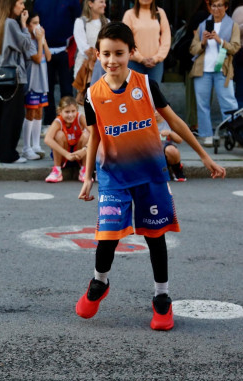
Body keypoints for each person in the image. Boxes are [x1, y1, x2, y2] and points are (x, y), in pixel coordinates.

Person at [77, 22, 226, 331]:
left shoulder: (146, 85)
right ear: (97, 54)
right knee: (108, 236)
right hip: (113, 176)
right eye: (106, 54)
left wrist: (204, 156)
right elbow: (95, 137)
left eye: (119, 53)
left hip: (149, 174)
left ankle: (162, 298)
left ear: (131, 53)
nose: (112, 60)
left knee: (154, 237)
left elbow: (178, 123)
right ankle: (99, 282)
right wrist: (88, 175)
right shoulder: (92, 94)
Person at [190, 0, 241, 147]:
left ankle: (233, 133)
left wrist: (220, 41)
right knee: (202, 104)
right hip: (203, 70)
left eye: (220, 5)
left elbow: (235, 47)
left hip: (222, 70)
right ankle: (207, 135)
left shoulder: (232, 25)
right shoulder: (202, 25)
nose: (216, 8)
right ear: (210, 7)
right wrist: (203, 42)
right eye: (213, 5)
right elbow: (193, 49)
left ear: (225, 7)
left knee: (229, 103)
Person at [0, 0, 33, 163]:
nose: (23, 7)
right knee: (14, 116)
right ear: (11, 4)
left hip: (1, 75)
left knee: (4, 116)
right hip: (13, 74)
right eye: (21, 3)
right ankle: (8, 154)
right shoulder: (11, 24)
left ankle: (0, 151)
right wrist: (23, 25)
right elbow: (26, 45)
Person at [33, 0, 80, 126]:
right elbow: (35, 24)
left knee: (67, 89)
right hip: (44, 50)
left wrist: (71, 46)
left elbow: (78, 22)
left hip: (65, 50)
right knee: (47, 89)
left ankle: (69, 122)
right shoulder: (38, 2)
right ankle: (49, 123)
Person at [21, 11, 50, 160]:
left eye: (39, 22)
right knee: (30, 113)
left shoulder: (39, 39)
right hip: (32, 82)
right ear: (27, 25)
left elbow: (48, 56)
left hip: (42, 81)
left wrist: (43, 40)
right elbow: (38, 59)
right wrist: (39, 41)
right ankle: (26, 147)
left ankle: (36, 145)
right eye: (34, 23)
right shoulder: (28, 41)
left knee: (39, 113)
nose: (37, 26)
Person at [122, 0, 171, 83]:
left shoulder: (160, 13)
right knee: (135, 93)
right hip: (133, 63)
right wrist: (140, 59)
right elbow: (125, 39)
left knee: (153, 94)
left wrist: (156, 58)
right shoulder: (129, 14)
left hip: (156, 64)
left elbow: (166, 38)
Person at [43, 96, 88, 183]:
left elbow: (96, 134)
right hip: (63, 155)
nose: (70, 115)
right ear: (60, 111)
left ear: (77, 110)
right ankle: (57, 170)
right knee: (58, 134)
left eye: (73, 111)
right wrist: (66, 154)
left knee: (87, 134)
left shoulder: (80, 117)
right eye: (67, 112)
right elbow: (47, 139)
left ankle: (85, 170)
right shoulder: (58, 121)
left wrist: (85, 149)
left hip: (79, 154)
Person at [72, 0, 108, 79]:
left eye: (105, 2)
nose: (104, 5)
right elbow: (85, 49)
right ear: (90, 3)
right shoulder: (80, 22)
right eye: (101, 2)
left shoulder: (107, 22)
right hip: (84, 70)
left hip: (104, 70)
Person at [155, 111, 187, 182]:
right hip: (151, 151)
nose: (156, 113)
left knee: (172, 150)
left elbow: (179, 140)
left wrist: (170, 133)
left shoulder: (169, 122)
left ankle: (177, 170)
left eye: (157, 110)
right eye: (153, 111)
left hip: (165, 149)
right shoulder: (145, 122)